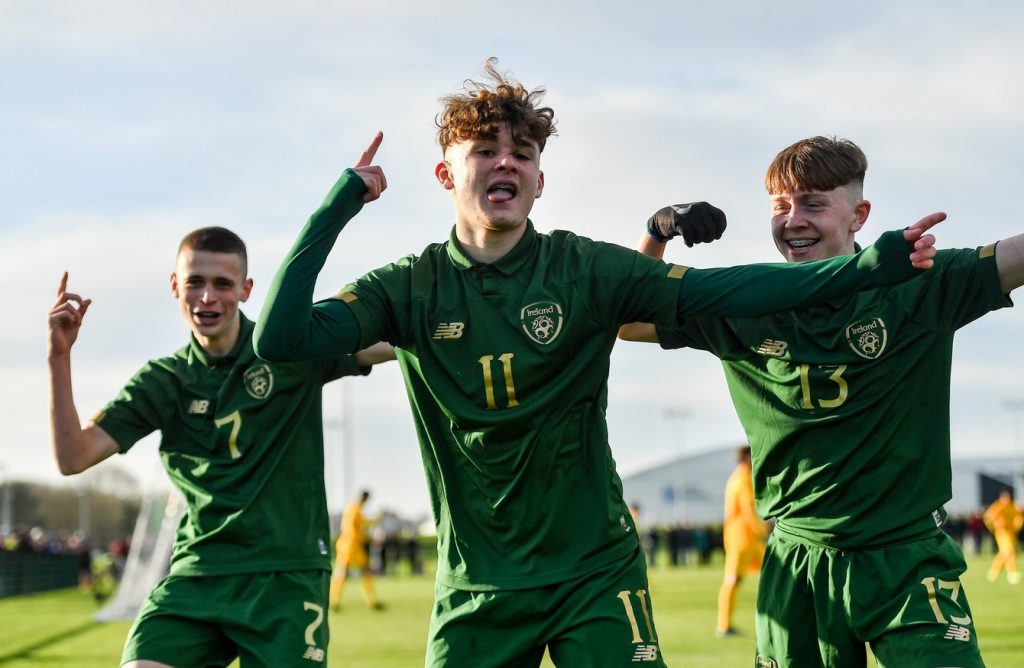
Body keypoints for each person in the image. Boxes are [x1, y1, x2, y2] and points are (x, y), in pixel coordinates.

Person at [253, 59, 941, 667]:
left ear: (540, 180)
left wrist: (864, 270)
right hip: (478, 584)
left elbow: (726, 290)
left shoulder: (584, 270)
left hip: (596, 575)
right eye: (485, 151)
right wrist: (342, 202)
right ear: (445, 174)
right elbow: (280, 337)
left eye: (522, 153)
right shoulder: (406, 288)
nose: (505, 163)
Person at [620, 135, 1024, 667]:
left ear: (859, 215)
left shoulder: (918, 279)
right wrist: (656, 233)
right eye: (780, 207)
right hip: (798, 559)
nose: (794, 220)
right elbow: (628, 321)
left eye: (813, 204)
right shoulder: (742, 300)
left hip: (905, 559)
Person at [47, 227, 394, 667]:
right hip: (198, 573)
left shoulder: (288, 347)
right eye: (195, 282)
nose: (207, 297)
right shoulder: (164, 380)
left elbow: (393, 342)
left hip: (285, 575)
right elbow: (73, 457)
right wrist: (59, 357)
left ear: (246, 290)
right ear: (175, 286)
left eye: (222, 284)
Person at [715, 446, 768, 638]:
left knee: (771, 576)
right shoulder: (743, 479)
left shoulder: (737, 477)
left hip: (744, 539)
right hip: (743, 540)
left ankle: (725, 625)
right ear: (746, 457)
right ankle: (723, 626)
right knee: (733, 580)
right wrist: (764, 531)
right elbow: (749, 511)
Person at [329, 489, 383, 611]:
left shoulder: (353, 509)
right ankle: (333, 601)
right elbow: (359, 526)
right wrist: (377, 520)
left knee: (364, 571)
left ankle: (372, 601)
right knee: (342, 573)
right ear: (364, 498)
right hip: (349, 546)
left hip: (353, 546)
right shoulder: (354, 509)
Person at [983, 487, 1023, 584]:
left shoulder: (1013, 506)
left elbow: (1019, 518)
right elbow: (988, 518)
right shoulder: (997, 506)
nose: (1006, 499)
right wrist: (993, 527)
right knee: (1009, 550)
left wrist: (1016, 527)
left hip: (1011, 533)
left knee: (1005, 552)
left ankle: (993, 572)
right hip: (1001, 532)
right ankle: (1012, 572)